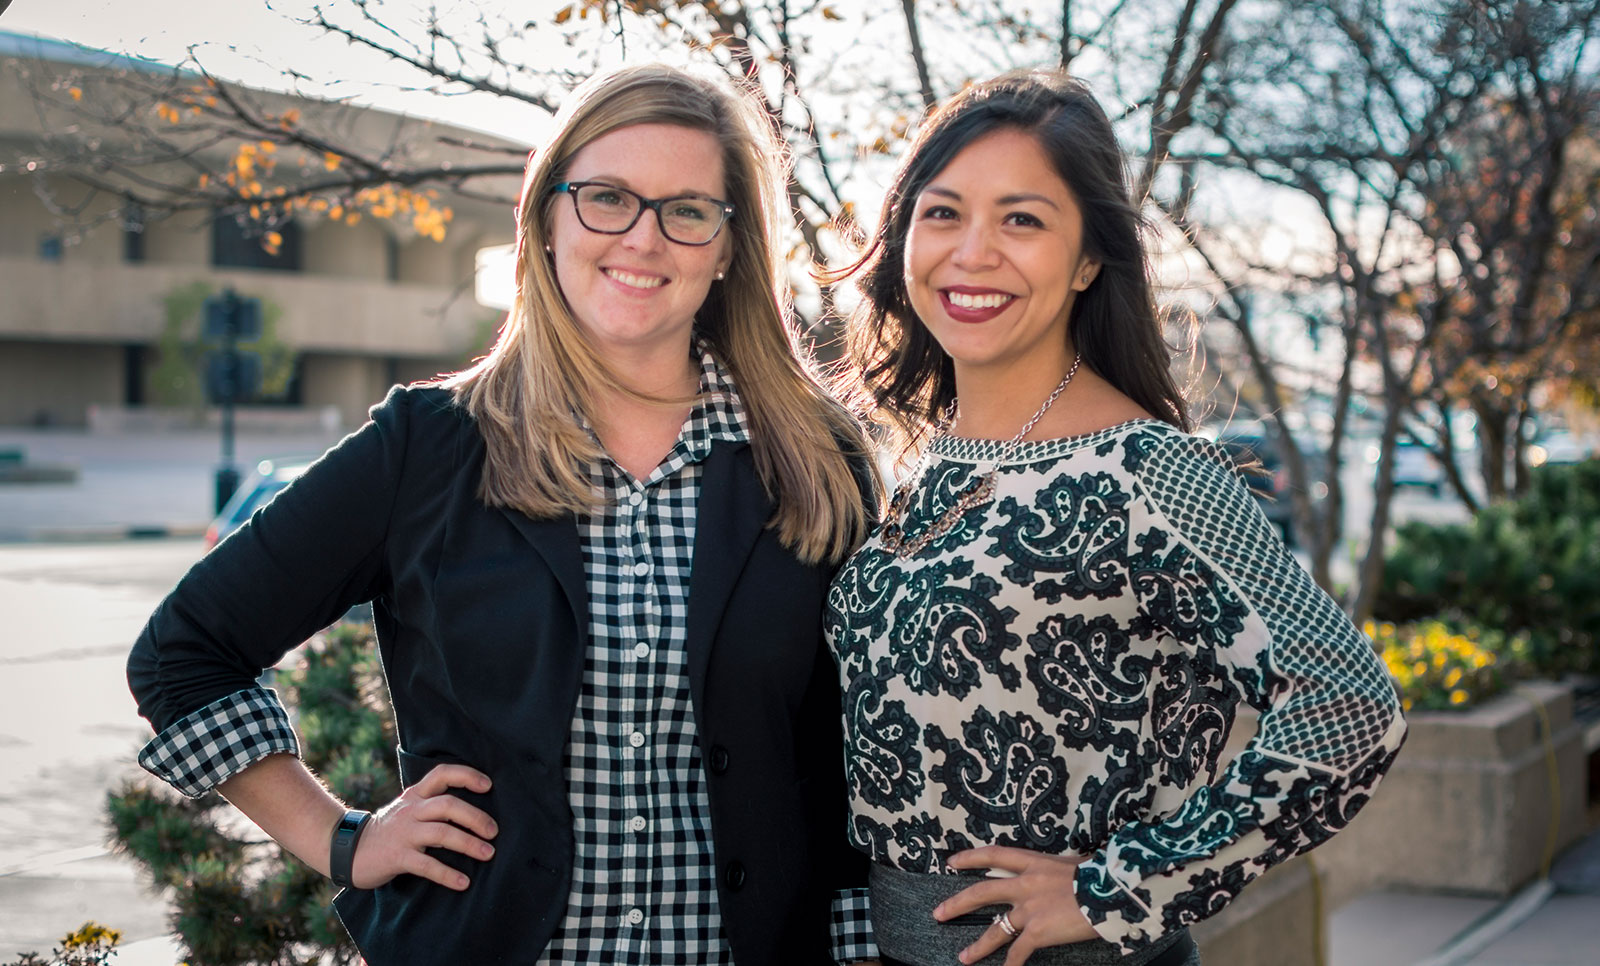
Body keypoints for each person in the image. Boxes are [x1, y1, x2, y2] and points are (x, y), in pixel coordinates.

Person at [127, 64, 882, 966]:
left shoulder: (811, 456)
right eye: (607, 198)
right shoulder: (432, 448)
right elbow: (184, 654)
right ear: (549, 217)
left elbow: (842, 762)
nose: (644, 238)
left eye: (687, 210)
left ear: (729, 246)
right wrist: (342, 839)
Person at [824, 70, 1407, 966]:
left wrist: (1124, 887)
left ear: (1090, 257)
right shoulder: (926, 461)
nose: (972, 251)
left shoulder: (1148, 469)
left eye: (1022, 220)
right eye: (942, 214)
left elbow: (1349, 707)